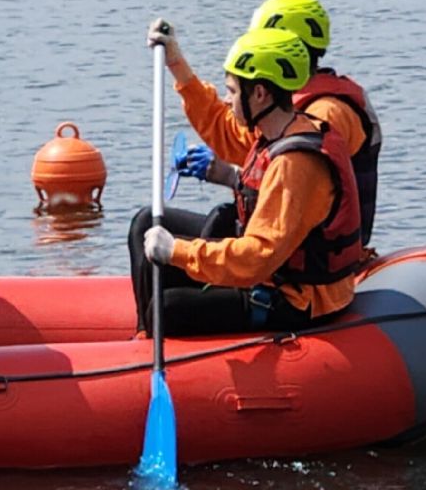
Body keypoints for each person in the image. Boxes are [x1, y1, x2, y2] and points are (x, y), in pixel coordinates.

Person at [130, 23, 365, 336]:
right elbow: (222, 128)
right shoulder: (273, 130)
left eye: (231, 90)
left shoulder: (296, 165)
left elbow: (258, 258)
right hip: (272, 273)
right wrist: (176, 62)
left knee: (168, 308)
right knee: (146, 223)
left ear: (259, 93)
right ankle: (146, 337)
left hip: (296, 298)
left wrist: (177, 251)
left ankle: (151, 347)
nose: (227, 100)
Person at [181, 0, 384, 245]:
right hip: (282, 229)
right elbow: (234, 139)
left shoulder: (326, 114)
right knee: (149, 223)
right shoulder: (281, 108)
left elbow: (296, 190)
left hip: (313, 250)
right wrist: (176, 64)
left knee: (217, 222)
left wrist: (232, 176)